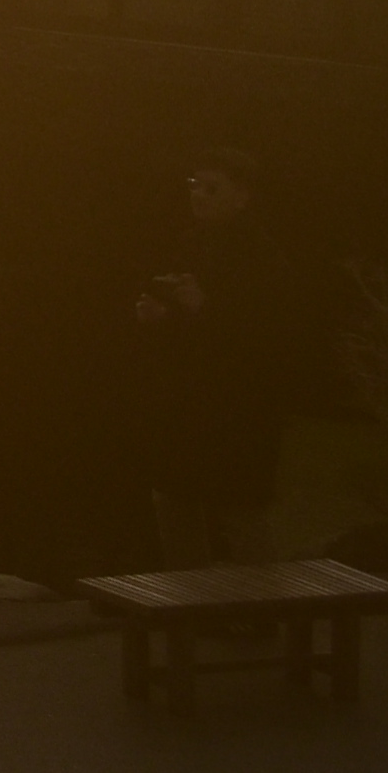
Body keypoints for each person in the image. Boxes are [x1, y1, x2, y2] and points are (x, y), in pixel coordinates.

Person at [132, 155, 298, 559]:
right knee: (174, 507)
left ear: (242, 197)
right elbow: (187, 333)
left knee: (240, 520)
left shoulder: (262, 257)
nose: (198, 195)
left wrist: (203, 307)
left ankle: (262, 616)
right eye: (193, 183)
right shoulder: (191, 243)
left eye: (212, 187)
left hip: (239, 414)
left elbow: (266, 338)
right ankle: (193, 615)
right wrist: (160, 317)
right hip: (187, 407)